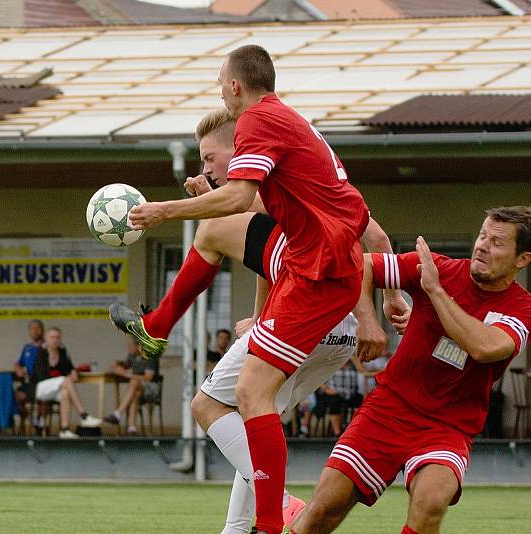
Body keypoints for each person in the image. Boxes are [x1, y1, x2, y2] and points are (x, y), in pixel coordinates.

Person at [111, 107, 407, 534]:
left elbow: (241, 215)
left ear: (242, 148)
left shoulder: (261, 180)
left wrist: (188, 206)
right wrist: (386, 303)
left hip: (308, 310)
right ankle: (238, 528)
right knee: (254, 424)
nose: (206, 168)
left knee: (207, 405)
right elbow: (369, 240)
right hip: (331, 331)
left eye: (211, 158)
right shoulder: (311, 178)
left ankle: (280, 501)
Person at [291, 206, 531, 534]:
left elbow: (484, 347)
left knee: (431, 501)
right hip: (389, 408)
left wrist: (434, 292)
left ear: (522, 259)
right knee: (321, 512)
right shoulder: (438, 267)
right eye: (483, 235)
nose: (483, 245)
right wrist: (373, 315)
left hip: (448, 425)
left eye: (497, 242)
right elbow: (359, 265)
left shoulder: (526, 310)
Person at [32, 327, 102, 438]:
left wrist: (73, 372)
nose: (55, 340)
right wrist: (65, 378)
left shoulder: (63, 353)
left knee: (65, 392)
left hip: (57, 388)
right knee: (66, 381)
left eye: (57, 337)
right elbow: (41, 376)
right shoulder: (40, 354)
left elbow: (70, 369)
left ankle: (64, 429)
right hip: (41, 388)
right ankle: (84, 415)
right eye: (52, 337)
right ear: (46, 338)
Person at [104, 338, 161, 435]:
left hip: (152, 389)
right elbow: (126, 365)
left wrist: (125, 374)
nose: (128, 348)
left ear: (139, 346)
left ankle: (118, 413)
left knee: (134, 382)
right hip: (139, 389)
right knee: (136, 393)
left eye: (131, 346)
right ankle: (131, 427)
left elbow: (148, 377)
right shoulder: (133, 355)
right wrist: (118, 365)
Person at [316, 361, 363, 437]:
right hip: (333, 393)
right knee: (334, 402)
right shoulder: (332, 363)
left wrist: (353, 358)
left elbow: (363, 371)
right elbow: (317, 377)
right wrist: (325, 389)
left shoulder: (353, 365)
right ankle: (337, 432)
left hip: (350, 393)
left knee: (363, 402)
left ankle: (355, 431)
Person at [14, 319, 44, 432]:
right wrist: (18, 368)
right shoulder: (27, 348)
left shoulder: (47, 346)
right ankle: (34, 422)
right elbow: (18, 362)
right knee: (15, 397)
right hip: (30, 383)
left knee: (44, 398)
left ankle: (41, 424)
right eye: (32, 328)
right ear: (29, 331)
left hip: (43, 383)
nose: (35, 331)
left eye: (38, 328)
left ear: (42, 330)